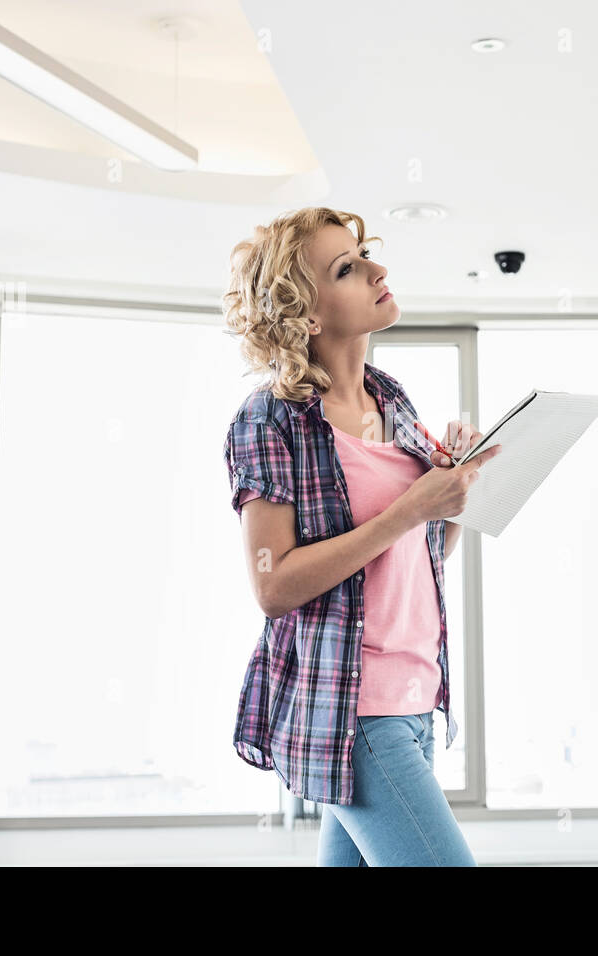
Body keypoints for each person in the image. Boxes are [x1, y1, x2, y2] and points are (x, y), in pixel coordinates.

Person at [220, 207, 502, 866]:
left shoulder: (390, 397)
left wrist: (455, 491)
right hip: (357, 713)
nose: (378, 270)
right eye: (347, 268)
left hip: (416, 701)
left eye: (365, 254)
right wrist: (411, 508)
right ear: (307, 315)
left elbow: (421, 554)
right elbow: (273, 585)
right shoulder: (269, 420)